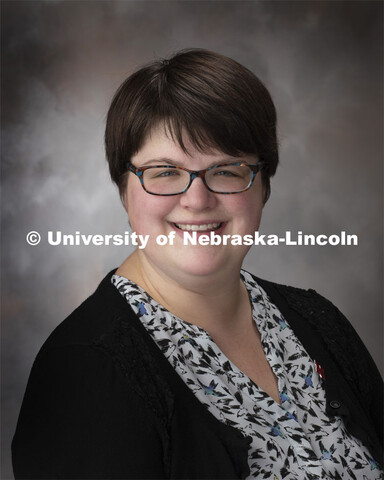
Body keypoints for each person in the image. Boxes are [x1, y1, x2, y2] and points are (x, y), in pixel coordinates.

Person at [12, 49, 383, 480]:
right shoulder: (85, 373)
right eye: (165, 171)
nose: (197, 199)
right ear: (123, 188)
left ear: (263, 185)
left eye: (226, 169)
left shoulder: (319, 322)